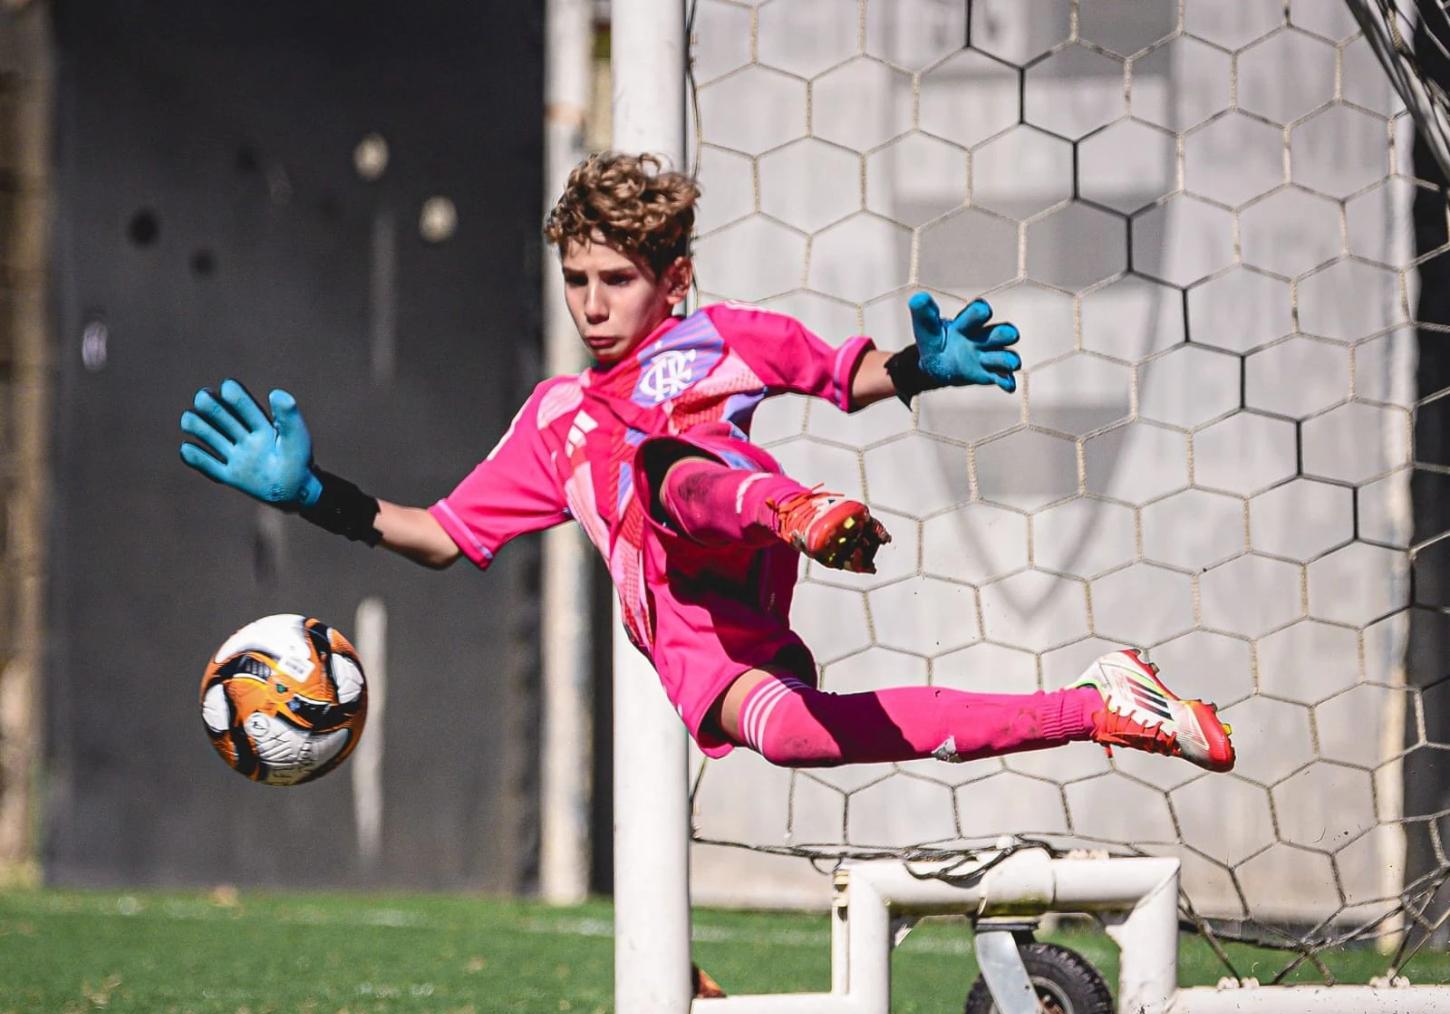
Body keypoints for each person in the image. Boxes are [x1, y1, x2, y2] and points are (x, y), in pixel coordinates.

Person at [179, 152, 1234, 774]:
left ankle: (793, 508)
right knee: (795, 742)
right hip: (708, 654)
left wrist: (925, 366)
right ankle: (1097, 704)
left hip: (752, 546)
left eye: (617, 281)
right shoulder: (553, 421)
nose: (592, 305)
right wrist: (312, 495)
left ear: (671, 280)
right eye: (576, 280)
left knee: (660, 467)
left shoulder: (722, 337)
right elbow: (441, 538)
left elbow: (841, 374)